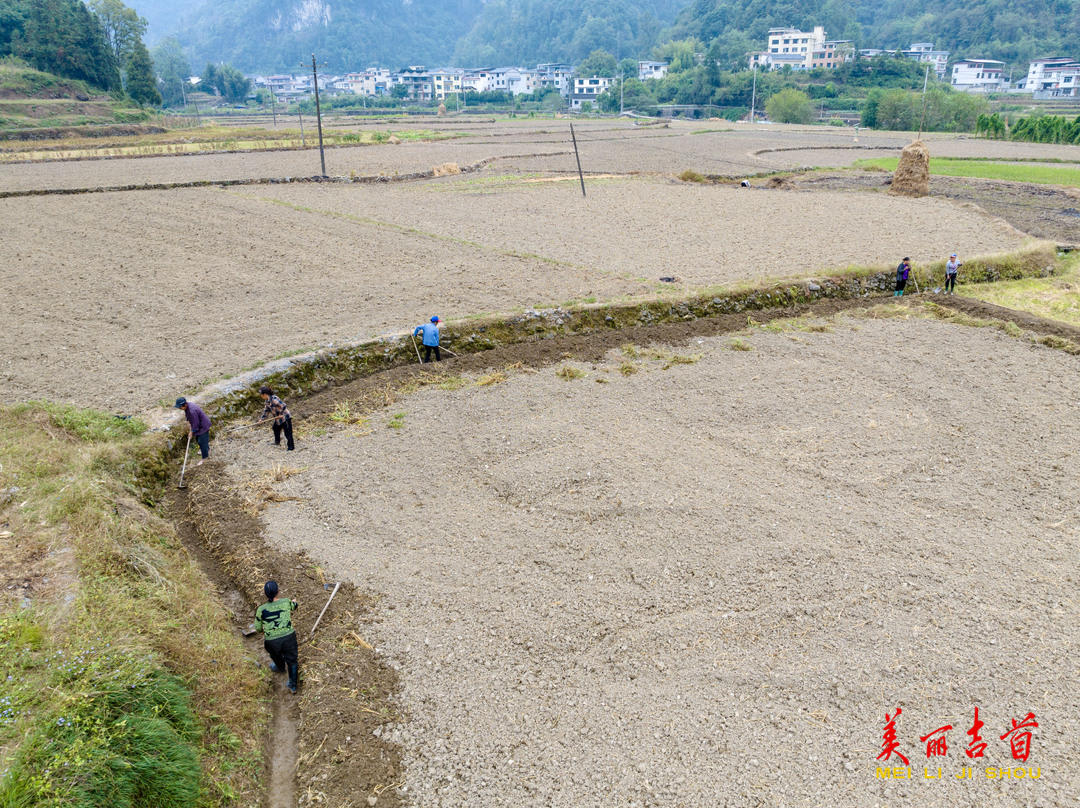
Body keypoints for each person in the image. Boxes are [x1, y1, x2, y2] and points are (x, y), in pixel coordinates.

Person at [255, 580, 299, 693]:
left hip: (272, 641)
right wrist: (294, 601)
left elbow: (258, 628)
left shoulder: (261, 610)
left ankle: (280, 667)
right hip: (289, 637)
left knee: (275, 654)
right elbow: (294, 606)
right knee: (292, 660)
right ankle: (293, 685)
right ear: (278, 592)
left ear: (265, 594)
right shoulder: (285, 602)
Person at [175, 397, 211, 465]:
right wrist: (189, 423)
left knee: (202, 441)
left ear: (184, 405)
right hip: (199, 425)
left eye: (180, 407)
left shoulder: (192, 411)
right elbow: (190, 418)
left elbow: (195, 424)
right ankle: (207, 449)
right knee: (199, 439)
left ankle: (205, 458)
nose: (179, 409)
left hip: (203, 426)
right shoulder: (187, 406)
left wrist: (191, 432)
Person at [257, 385, 294, 450]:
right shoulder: (267, 401)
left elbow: (283, 406)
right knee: (275, 428)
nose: (261, 396)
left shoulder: (274, 399)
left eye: (261, 395)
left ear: (265, 394)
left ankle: (291, 447)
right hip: (278, 419)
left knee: (288, 433)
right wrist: (262, 419)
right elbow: (266, 411)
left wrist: (281, 414)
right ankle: (277, 441)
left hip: (285, 417)